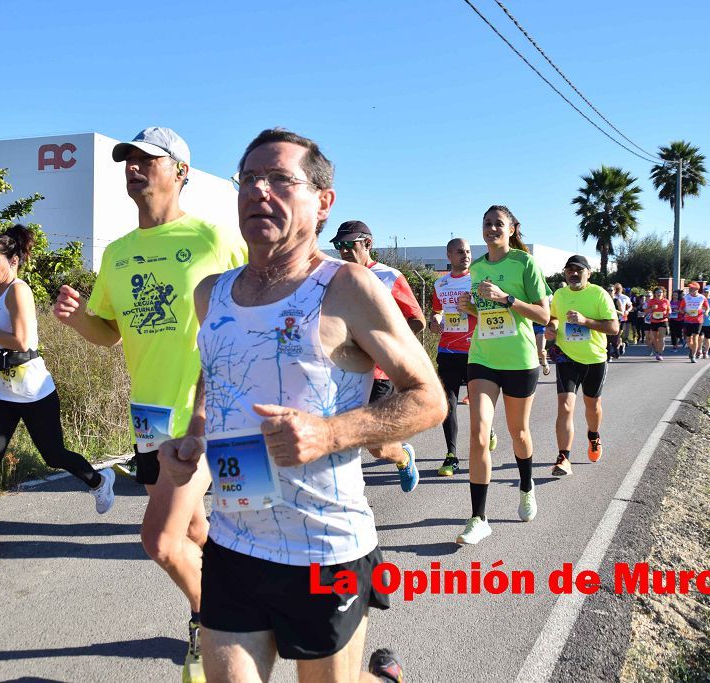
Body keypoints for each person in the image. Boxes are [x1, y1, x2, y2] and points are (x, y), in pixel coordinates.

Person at [161, 128, 445, 683]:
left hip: (325, 550)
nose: (257, 191)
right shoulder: (211, 293)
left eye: (279, 180)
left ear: (322, 202)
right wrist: (195, 437)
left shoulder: (349, 288)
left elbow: (429, 398)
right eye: (247, 180)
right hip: (233, 540)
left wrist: (330, 434)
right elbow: (212, 373)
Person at [53, 126, 246, 682]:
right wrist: (75, 319)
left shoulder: (214, 238)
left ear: (180, 172)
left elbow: (243, 317)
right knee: (193, 533)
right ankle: (230, 607)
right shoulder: (117, 252)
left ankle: (213, 622)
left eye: (147, 161)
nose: (133, 168)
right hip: (149, 416)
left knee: (159, 540)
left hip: (205, 417)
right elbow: (109, 333)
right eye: (128, 161)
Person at [0, 225, 115, 565]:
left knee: (53, 455)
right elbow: (5, 338)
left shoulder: (18, 290)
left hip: (34, 391)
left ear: (12, 260)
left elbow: (23, 342)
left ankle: (99, 480)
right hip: (2, 393)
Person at [454, 205, 551, 544]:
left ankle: (526, 486)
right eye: (486, 223)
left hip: (520, 360)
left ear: (511, 229)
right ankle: (479, 518)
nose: (491, 228)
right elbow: (486, 316)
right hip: (482, 357)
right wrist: (471, 308)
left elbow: (543, 315)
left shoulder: (525, 263)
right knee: (479, 433)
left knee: (518, 432)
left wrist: (506, 297)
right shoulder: (477, 267)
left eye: (498, 224)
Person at [330, 220, 425, 492]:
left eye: (349, 245)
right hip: (343, 370)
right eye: (339, 246)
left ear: (368, 244)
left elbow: (416, 319)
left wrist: (388, 349)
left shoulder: (389, 276)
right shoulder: (336, 277)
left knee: (377, 446)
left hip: (379, 371)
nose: (344, 251)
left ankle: (403, 456)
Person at [428, 238, 497, 476]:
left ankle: (488, 430)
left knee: (478, 405)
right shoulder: (440, 284)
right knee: (448, 404)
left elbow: (489, 314)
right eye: (459, 252)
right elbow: (437, 312)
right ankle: (451, 456)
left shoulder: (478, 280)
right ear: (449, 255)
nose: (465, 255)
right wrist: (434, 320)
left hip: (476, 351)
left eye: (468, 251)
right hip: (447, 351)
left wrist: (471, 310)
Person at [544, 256, 618, 476]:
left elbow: (613, 327)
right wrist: (551, 328)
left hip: (595, 358)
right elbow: (555, 318)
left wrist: (586, 321)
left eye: (579, 270)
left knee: (592, 406)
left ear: (589, 273)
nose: (574, 274)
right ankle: (563, 458)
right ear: (565, 273)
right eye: (569, 270)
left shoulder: (599, 294)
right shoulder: (560, 294)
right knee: (565, 406)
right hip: (567, 356)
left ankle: (594, 435)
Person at [681, 282, 709, 363]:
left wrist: (706, 312)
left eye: (691, 288)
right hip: (687, 320)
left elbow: (707, 307)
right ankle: (692, 349)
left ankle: (693, 356)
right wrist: (684, 312)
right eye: (689, 288)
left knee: (695, 337)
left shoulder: (702, 297)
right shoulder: (685, 297)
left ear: (696, 289)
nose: (690, 289)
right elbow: (681, 309)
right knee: (688, 340)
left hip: (698, 320)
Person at [645, 287, 670, 361]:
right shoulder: (651, 301)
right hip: (654, 321)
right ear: (655, 294)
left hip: (663, 320)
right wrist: (652, 308)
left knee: (662, 337)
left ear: (663, 293)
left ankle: (660, 353)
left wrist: (669, 313)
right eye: (657, 292)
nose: (659, 294)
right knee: (655, 338)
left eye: (660, 292)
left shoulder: (666, 301)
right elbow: (646, 311)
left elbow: (669, 309)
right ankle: (657, 351)